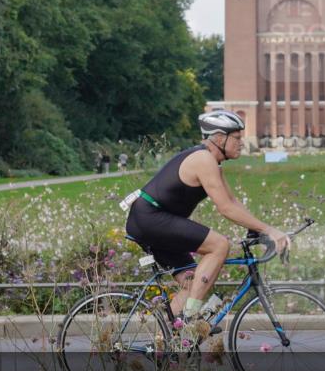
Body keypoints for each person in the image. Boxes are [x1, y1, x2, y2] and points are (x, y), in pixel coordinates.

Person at [124, 109, 290, 328]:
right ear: (220, 138)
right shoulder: (203, 160)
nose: (242, 143)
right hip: (151, 218)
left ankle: (164, 341)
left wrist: (258, 228)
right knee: (220, 245)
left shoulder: (212, 162)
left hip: (152, 220)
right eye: (237, 138)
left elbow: (232, 202)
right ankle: (191, 318)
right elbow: (225, 208)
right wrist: (271, 230)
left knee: (191, 282)